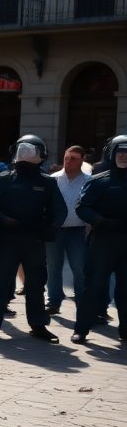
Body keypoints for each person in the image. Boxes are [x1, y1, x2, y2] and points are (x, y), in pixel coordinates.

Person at [0, 134, 66, 342]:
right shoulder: (2, 179)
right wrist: (1, 218)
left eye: (31, 151)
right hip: (6, 239)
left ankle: (38, 325)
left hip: (34, 239)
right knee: (0, 284)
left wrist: (52, 226)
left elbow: (60, 210)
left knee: (36, 284)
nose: (26, 155)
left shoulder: (47, 182)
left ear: (42, 154)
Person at [71, 134, 126, 345]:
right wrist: (100, 220)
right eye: (120, 152)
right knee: (93, 286)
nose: (124, 157)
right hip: (103, 240)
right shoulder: (99, 181)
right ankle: (81, 329)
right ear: (111, 154)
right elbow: (82, 207)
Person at [46, 145, 90, 316]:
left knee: (79, 268)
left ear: (81, 161)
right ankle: (53, 301)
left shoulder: (89, 180)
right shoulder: (53, 179)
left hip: (78, 231)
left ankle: (82, 301)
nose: (68, 161)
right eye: (66, 157)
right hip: (55, 230)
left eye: (73, 158)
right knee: (53, 267)